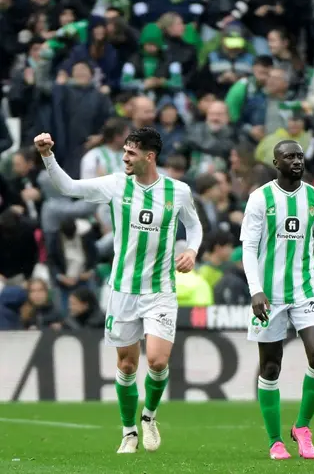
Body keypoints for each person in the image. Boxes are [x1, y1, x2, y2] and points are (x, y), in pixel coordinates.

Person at [34, 127, 202, 454]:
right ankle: (129, 432)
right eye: (124, 151)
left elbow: (194, 226)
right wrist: (47, 155)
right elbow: (68, 187)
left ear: (149, 157)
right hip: (123, 290)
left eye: (131, 153)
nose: (124, 157)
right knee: (127, 366)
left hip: (160, 290)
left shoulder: (177, 191)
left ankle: (149, 417)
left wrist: (192, 251)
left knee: (156, 361)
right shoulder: (115, 184)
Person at [240, 140, 314, 460]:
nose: (296, 161)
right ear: (276, 162)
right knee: (270, 367)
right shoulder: (260, 198)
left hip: (305, 293)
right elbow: (249, 249)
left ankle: (303, 427)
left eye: (299, 156)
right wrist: (255, 289)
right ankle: (274, 441)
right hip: (269, 297)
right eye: (289, 157)